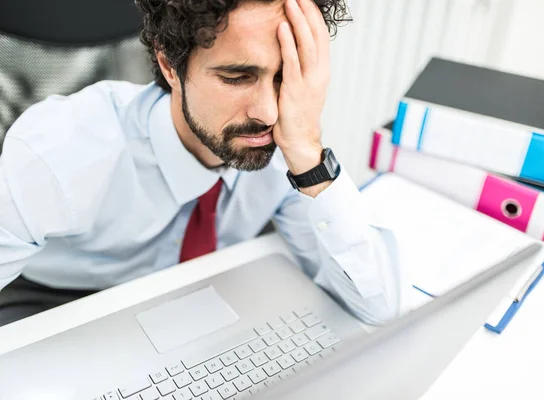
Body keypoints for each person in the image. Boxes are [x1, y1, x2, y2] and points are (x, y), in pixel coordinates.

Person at [0, 0, 407, 327]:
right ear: (168, 64)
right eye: (236, 77)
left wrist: (309, 159)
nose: (267, 113)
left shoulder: (288, 145)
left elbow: (377, 308)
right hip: (58, 302)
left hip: (203, 300)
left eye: (285, 76)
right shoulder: (61, 151)